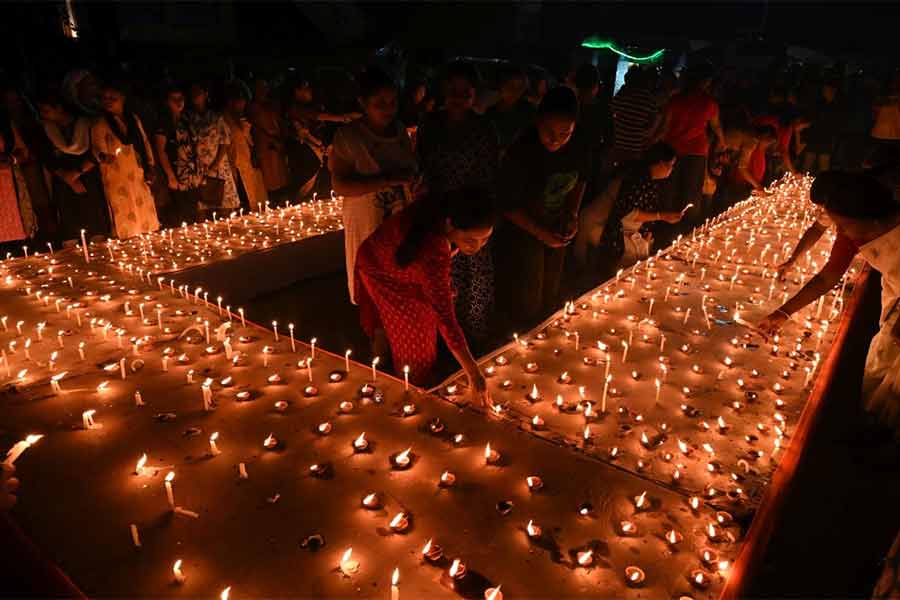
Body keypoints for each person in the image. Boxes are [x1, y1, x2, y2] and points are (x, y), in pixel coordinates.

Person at [758, 171, 900, 435]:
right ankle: (876, 423)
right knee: (881, 360)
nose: (840, 232)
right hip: (894, 293)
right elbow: (826, 277)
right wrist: (782, 313)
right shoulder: (853, 232)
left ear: (870, 218)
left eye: (843, 225)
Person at [355, 188, 494, 404]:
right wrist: (474, 373)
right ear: (450, 224)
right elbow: (445, 317)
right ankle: (412, 397)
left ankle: (409, 379)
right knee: (417, 346)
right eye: (470, 239)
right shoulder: (433, 248)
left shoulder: (440, 212)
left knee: (427, 320)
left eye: (484, 240)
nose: (476, 247)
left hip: (403, 266)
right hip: (381, 271)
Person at [417, 61, 500, 346]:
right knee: (443, 277)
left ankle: (474, 342)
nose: (459, 97)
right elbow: (422, 168)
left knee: (475, 276)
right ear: (443, 91)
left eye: (465, 92)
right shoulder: (430, 126)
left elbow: (490, 174)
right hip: (440, 215)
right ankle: (443, 342)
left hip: (474, 213)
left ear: (474, 94)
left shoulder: (484, 128)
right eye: (453, 90)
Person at [495, 86, 590, 328]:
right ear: (538, 121)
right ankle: (524, 338)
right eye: (549, 131)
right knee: (528, 294)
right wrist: (541, 235)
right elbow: (508, 204)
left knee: (551, 286)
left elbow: (581, 179)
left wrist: (572, 214)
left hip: (556, 225)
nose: (556, 140)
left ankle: (545, 330)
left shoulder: (579, 146)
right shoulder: (521, 152)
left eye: (565, 133)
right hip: (523, 230)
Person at [329, 67, 417, 306]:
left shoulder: (399, 131)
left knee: (399, 283)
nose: (388, 108)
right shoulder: (349, 136)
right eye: (380, 102)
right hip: (367, 221)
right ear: (363, 102)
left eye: (392, 102)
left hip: (399, 218)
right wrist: (386, 180)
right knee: (371, 285)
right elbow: (341, 185)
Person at [575, 142, 682, 278]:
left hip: (622, 226)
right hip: (602, 224)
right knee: (632, 259)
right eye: (670, 165)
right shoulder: (635, 179)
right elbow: (627, 213)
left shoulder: (649, 180)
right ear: (660, 163)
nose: (671, 170)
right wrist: (661, 216)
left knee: (643, 249)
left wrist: (645, 230)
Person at [656, 63, 725, 224]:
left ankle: (666, 224)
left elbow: (665, 126)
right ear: (705, 82)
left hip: (672, 150)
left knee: (670, 189)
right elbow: (715, 126)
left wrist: (654, 141)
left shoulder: (675, 100)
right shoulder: (709, 103)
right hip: (696, 151)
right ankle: (689, 226)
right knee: (691, 191)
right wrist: (722, 141)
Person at [36, 92, 110, 240]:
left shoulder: (85, 125)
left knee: (94, 222)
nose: (43, 115)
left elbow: (96, 151)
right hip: (63, 181)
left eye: (46, 110)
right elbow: (46, 157)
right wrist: (67, 177)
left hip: (88, 178)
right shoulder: (46, 129)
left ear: (59, 108)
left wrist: (76, 173)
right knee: (71, 225)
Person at [90, 81, 159, 239]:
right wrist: (103, 156)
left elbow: (144, 142)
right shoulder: (100, 123)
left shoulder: (133, 120)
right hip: (116, 177)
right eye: (104, 97)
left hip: (138, 173)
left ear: (122, 98)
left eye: (112, 97)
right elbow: (97, 148)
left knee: (144, 212)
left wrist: (150, 165)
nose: (107, 100)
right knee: (124, 212)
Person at [285, 78, 360, 199]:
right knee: (305, 179)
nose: (310, 91)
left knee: (313, 180)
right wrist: (344, 118)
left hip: (313, 149)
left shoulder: (308, 107)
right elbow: (317, 116)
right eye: (306, 88)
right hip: (303, 150)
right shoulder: (295, 108)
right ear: (297, 91)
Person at [187, 82, 239, 214]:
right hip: (200, 168)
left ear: (205, 94)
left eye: (198, 93)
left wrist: (215, 165)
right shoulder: (188, 118)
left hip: (218, 166)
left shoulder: (216, 118)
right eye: (193, 93)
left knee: (225, 207)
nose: (195, 96)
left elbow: (225, 141)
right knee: (203, 208)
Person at [153, 84, 201, 225]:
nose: (179, 102)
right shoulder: (163, 123)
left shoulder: (186, 120)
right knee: (181, 212)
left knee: (193, 211)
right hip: (177, 173)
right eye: (174, 99)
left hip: (192, 174)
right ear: (167, 102)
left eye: (181, 99)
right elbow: (161, 151)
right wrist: (171, 176)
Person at [223, 82, 269, 213]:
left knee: (255, 194)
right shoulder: (224, 119)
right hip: (234, 163)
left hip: (248, 162)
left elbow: (249, 141)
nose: (242, 105)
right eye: (240, 101)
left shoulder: (243, 118)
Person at [609, 67, 661, 169]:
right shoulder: (649, 98)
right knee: (630, 171)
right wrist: (645, 134)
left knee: (615, 172)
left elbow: (611, 111)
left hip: (619, 141)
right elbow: (654, 120)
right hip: (636, 144)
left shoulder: (623, 94)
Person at [247, 78, 290, 203]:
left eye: (265, 88)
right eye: (259, 88)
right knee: (270, 181)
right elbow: (254, 128)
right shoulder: (252, 107)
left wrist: (281, 140)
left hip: (278, 146)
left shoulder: (273, 105)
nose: (263, 91)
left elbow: (281, 123)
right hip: (264, 147)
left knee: (281, 178)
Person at [0, 109, 37, 246]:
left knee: (17, 240)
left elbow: (23, 152)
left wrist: (12, 159)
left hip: (10, 184)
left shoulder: (6, 124)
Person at [485, 64, 535, 150]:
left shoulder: (529, 110)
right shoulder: (490, 113)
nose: (515, 91)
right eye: (510, 85)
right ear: (500, 86)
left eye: (520, 87)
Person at [801, 79, 843, 175]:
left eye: (826, 90)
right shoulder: (819, 103)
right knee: (807, 164)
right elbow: (813, 118)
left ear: (834, 90)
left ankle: (824, 185)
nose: (824, 92)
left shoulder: (837, 105)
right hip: (814, 137)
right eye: (823, 90)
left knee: (824, 166)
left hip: (826, 138)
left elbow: (836, 124)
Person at [727, 124, 777, 201]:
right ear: (763, 137)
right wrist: (758, 186)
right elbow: (742, 168)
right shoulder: (752, 141)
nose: (768, 145)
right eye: (768, 142)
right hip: (738, 184)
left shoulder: (755, 143)